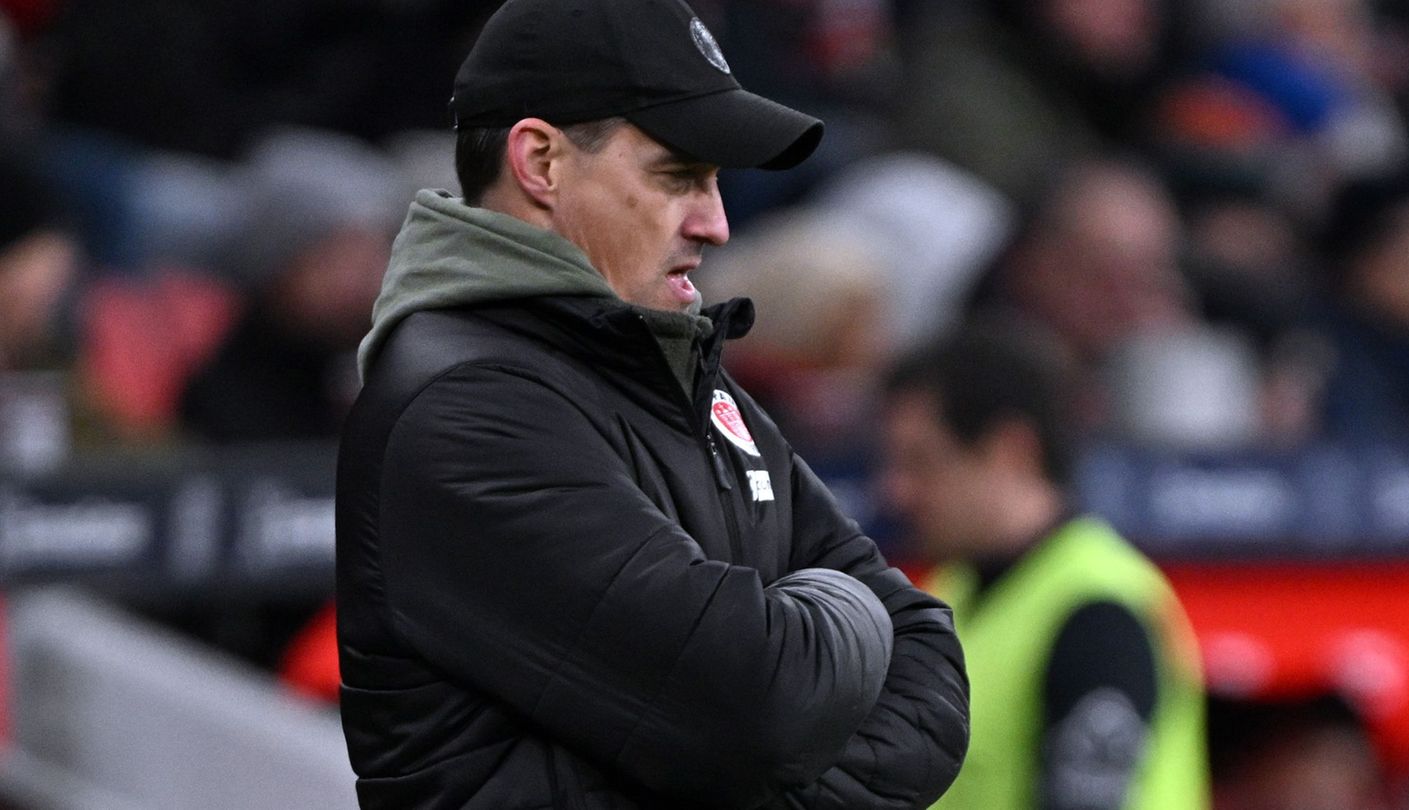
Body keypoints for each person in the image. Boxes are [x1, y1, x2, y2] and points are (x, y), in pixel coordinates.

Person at [333, 1, 970, 808]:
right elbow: (762, 702)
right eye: (678, 177)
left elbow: (931, 664)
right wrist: (846, 618)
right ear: (541, 162)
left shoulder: (676, 367)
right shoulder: (462, 410)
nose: (717, 223)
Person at [879, 319, 1207, 810]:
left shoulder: (1097, 609)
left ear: (1012, 451)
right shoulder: (950, 592)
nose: (896, 491)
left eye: (923, 461)